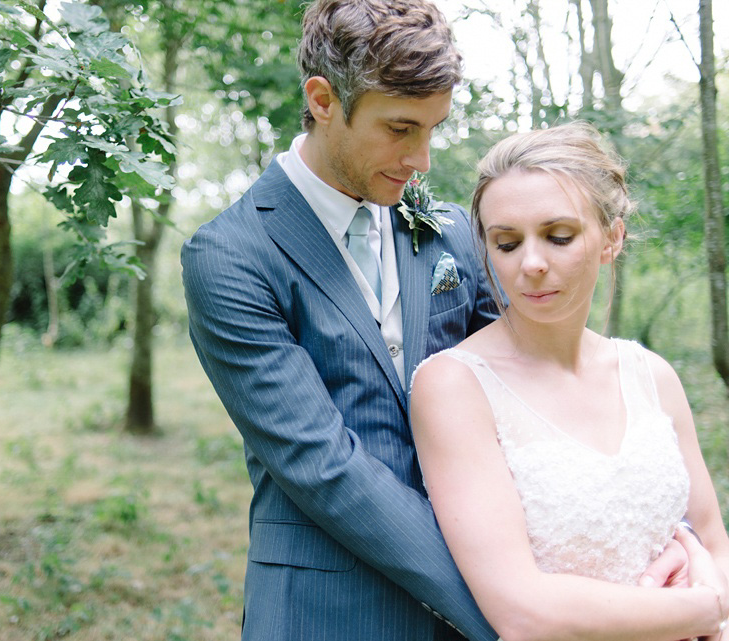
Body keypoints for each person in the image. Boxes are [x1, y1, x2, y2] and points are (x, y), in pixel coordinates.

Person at [182, 1, 501, 638]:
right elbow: (322, 465)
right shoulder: (230, 256)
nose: (422, 159)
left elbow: (525, 390)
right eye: (401, 128)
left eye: (433, 129)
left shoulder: (452, 232)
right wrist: (506, 610)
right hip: (328, 609)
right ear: (324, 100)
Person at [410, 121, 729, 641]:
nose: (531, 263)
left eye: (558, 236)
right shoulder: (455, 387)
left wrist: (712, 592)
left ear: (611, 238)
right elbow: (520, 610)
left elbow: (714, 544)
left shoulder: (652, 376)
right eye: (507, 243)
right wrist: (698, 610)